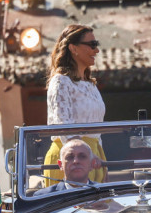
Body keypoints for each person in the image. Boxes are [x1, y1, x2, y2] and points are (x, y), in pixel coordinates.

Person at [43, 24, 106, 186]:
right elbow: (64, 126)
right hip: (69, 161)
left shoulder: (91, 85)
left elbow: (96, 130)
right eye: (92, 45)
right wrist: (86, 155)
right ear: (73, 48)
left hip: (91, 158)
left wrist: (100, 161)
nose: (96, 50)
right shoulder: (61, 82)